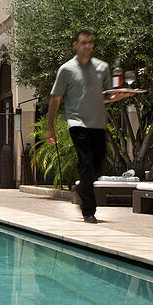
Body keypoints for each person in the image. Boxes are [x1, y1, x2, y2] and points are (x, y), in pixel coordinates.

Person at [46, 30, 127, 223]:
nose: (87, 46)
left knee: (96, 166)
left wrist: (119, 96)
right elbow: (55, 99)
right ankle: (89, 211)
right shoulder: (66, 69)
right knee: (87, 163)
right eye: (83, 43)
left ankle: (82, 187)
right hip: (77, 123)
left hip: (98, 124)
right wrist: (51, 127)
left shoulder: (102, 67)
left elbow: (107, 96)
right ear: (75, 45)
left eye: (90, 42)